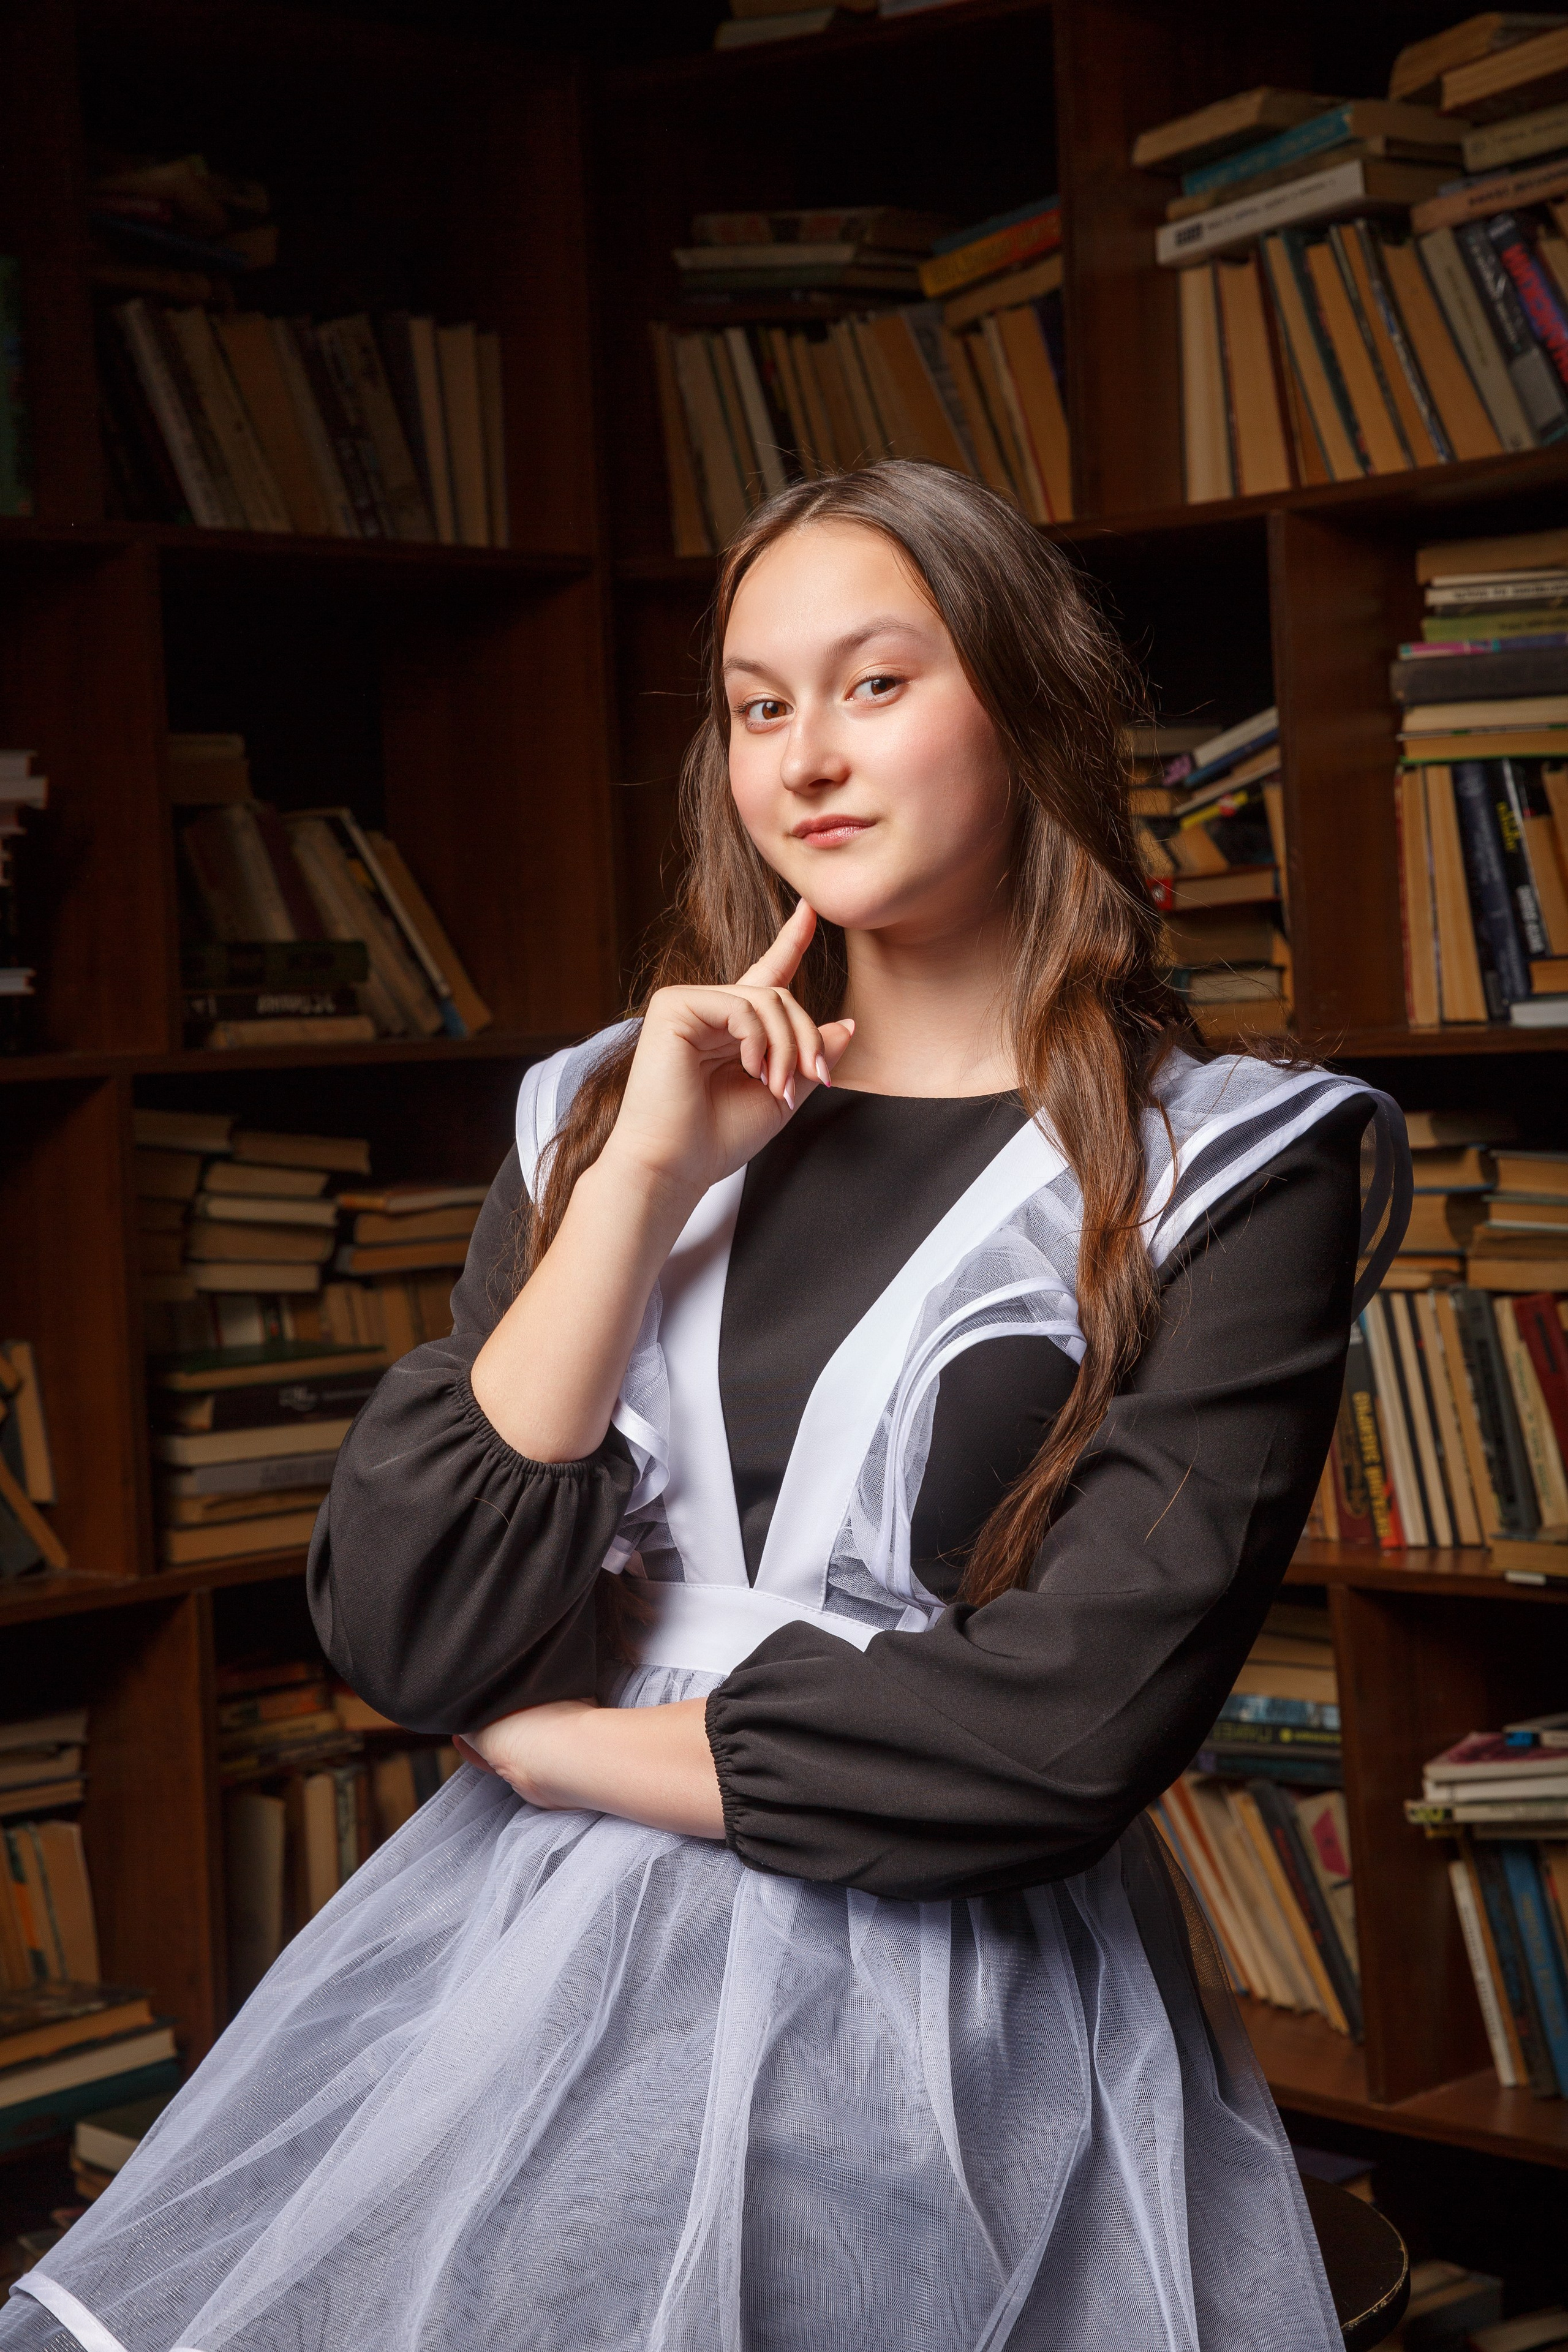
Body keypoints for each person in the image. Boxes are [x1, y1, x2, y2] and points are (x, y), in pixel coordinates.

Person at [9, 462, 1407, 2352]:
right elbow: (410, 1617)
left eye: (876, 685)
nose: (805, 758)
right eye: (759, 706)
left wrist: (562, 1751)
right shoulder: (611, 1104)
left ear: (1028, 703)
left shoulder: (1231, 1166)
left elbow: (1063, 1734)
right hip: (511, 1978)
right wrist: (646, 1181)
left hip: (950, 2019)